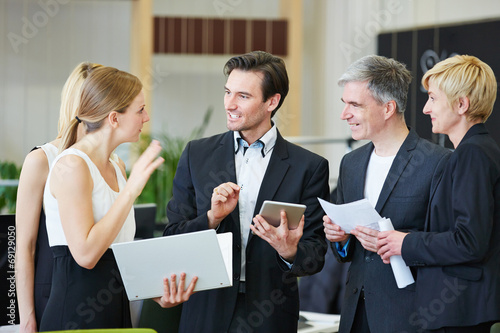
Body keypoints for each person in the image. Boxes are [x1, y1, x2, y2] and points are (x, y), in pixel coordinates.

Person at [164, 50, 330, 333]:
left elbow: (315, 255)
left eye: (243, 96)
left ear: (272, 101)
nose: (230, 104)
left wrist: (289, 251)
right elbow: (172, 237)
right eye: (228, 92)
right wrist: (211, 219)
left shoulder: (309, 167)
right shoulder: (197, 155)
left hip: (270, 314)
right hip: (205, 311)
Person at [39, 66, 197, 331]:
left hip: (116, 309)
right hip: (75, 316)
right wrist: (131, 190)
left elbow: (118, 253)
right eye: (140, 110)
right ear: (114, 118)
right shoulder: (72, 165)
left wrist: (156, 292)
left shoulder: (117, 167)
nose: (146, 118)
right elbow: (86, 254)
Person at [323, 55, 450, 333]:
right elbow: (346, 254)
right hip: (355, 315)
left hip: (410, 316)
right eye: (344, 104)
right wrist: (341, 238)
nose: (344, 114)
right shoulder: (351, 164)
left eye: (354, 105)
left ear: (388, 108)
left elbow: (451, 244)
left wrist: (400, 242)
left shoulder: (438, 163)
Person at [378, 55, 500, 332]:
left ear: (461, 104)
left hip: (460, 313)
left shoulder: (472, 155)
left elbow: (469, 241)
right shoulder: (476, 151)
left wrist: (405, 243)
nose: (425, 109)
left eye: (433, 98)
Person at [15, 62, 102, 333]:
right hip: (52, 290)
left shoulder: (112, 163)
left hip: (99, 289)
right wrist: (27, 317)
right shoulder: (41, 159)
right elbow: (25, 246)